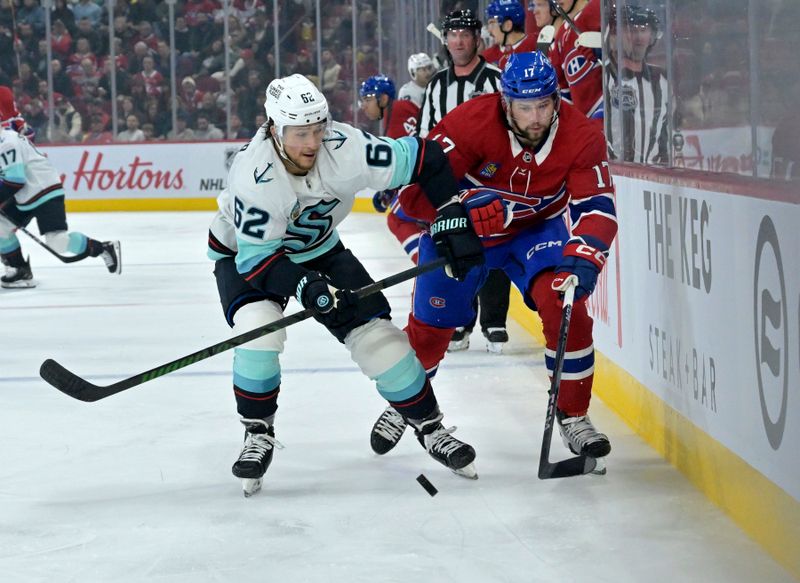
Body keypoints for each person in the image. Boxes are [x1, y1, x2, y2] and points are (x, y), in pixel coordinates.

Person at [206, 74, 483, 496]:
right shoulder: (254, 175)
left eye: (318, 130)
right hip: (247, 256)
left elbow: (426, 158)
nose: (312, 143)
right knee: (259, 334)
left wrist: (451, 211)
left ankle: (429, 426)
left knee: (380, 340)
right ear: (275, 130)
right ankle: (257, 432)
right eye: (300, 133)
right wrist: (306, 286)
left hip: (320, 248)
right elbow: (259, 260)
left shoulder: (347, 146)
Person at [369, 52, 616, 471]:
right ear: (506, 104)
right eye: (525, 107)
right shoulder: (470, 122)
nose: (536, 117)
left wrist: (585, 255)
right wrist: (459, 207)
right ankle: (406, 402)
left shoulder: (581, 133)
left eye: (544, 105)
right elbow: (414, 193)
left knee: (566, 311)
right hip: (465, 238)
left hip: (535, 231)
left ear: (556, 99)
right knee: (430, 332)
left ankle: (573, 416)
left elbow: (597, 205)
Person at [421, 8, 514, 355]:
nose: (458, 41)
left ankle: (494, 320)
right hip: (448, 182)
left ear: (477, 38)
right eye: (453, 34)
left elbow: (511, 127)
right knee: (452, 245)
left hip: (491, 176)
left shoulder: (495, 78)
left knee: (494, 243)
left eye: (465, 34)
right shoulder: (435, 85)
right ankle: (460, 320)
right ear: (445, 40)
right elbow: (425, 137)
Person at [0, 86, 121, 288]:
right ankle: (19, 271)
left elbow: (15, 180)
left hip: (44, 191)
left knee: (57, 242)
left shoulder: (6, 140)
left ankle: (102, 248)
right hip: (24, 196)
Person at [359, 74, 426, 264]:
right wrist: (389, 191)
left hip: (433, 180)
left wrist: (389, 189)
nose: (363, 105)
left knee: (397, 217)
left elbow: (412, 156)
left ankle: (430, 268)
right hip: (432, 178)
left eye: (367, 99)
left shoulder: (399, 110)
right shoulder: (394, 114)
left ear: (384, 98)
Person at [604, 4, 668, 164]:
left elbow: (665, 133)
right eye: (631, 30)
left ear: (652, 36)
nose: (638, 37)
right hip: (613, 174)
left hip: (653, 177)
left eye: (643, 30)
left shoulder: (662, 81)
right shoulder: (604, 76)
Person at [547, 0, 604, 124]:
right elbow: (563, 87)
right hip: (586, 124)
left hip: (613, 110)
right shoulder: (561, 34)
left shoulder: (597, 8)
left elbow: (630, 51)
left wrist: (608, 51)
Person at [482, 0, 539, 69]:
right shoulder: (487, 56)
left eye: (492, 23)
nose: (489, 30)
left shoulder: (536, 46)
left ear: (507, 25)